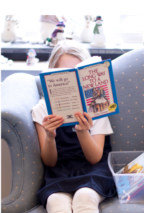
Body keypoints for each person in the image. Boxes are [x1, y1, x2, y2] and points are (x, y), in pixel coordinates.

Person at [31, 40, 116, 213]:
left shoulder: (98, 106)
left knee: (84, 197)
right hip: (60, 171)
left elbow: (94, 158)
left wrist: (83, 131)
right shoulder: (42, 110)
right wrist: (49, 136)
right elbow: (49, 161)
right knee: (55, 201)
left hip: (93, 169)